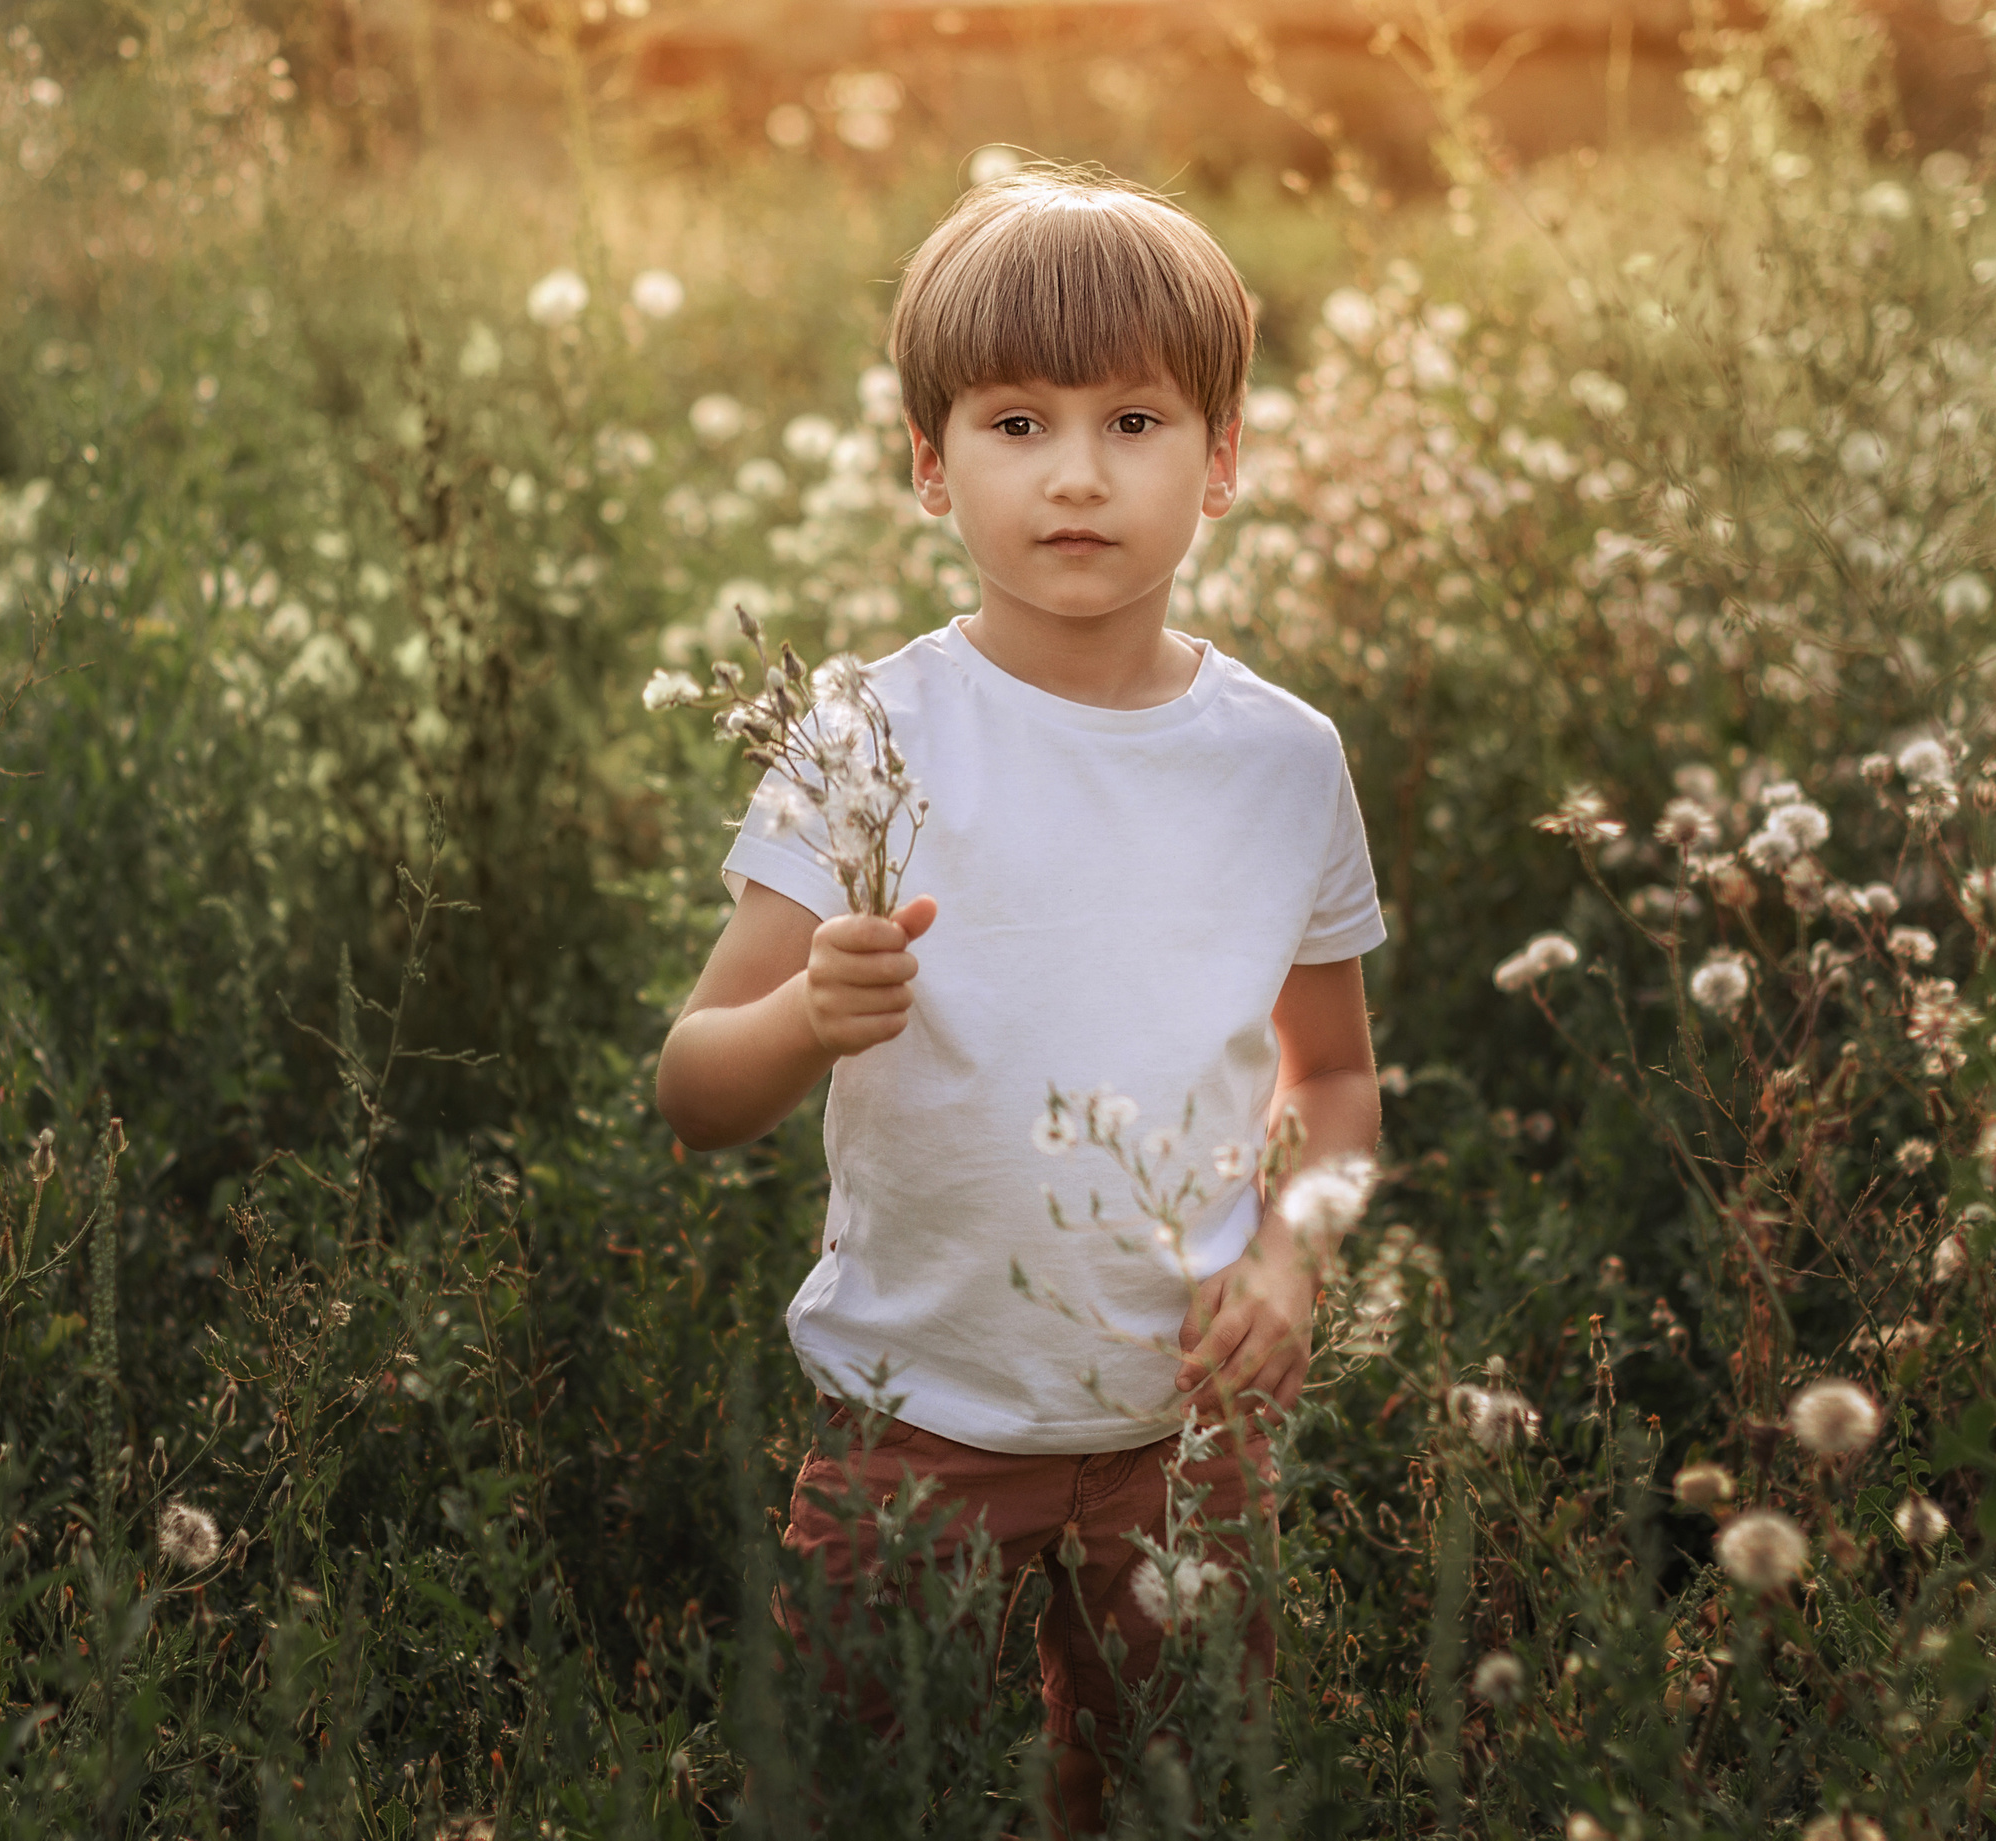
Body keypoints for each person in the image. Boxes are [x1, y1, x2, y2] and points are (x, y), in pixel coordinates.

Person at [653, 165, 1386, 1836]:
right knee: (860, 1787)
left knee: (1166, 1792)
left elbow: (1334, 1081)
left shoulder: (1283, 761)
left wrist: (1290, 1253)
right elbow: (695, 1088)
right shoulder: (863, 738)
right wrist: (806, 1022)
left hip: (1183, 1434)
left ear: (1224, 463)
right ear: (929, 467)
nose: (1076, 473)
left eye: (1135, 420)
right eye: (1014, 422)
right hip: (915, 1415)